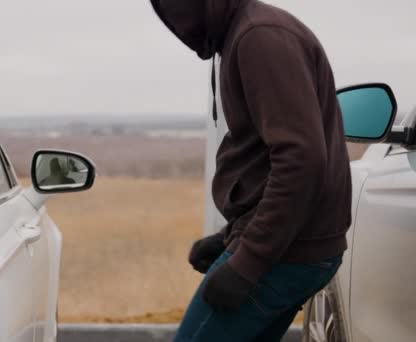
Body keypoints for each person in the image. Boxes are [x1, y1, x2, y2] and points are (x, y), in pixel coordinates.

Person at [150, 0, 352, 340]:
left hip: (287, 255)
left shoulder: (259, 37)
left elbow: (301, 159)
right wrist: (228, 236)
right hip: (291, 247)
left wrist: (248, 263)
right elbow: (266, 160)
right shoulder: (246, 32)